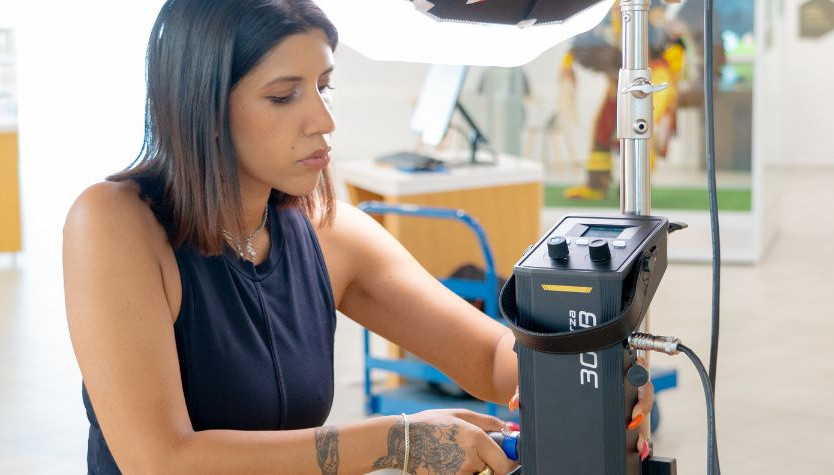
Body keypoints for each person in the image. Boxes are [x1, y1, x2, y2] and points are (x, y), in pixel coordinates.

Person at [63, 1, 653, 473]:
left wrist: (603, 382)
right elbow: (159, 460)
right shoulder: (115, 224)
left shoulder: (328, 233)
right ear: (203, 105)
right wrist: (394, 441)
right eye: (283, 94)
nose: (323, 119)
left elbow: (491, 358)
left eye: (325, 86)